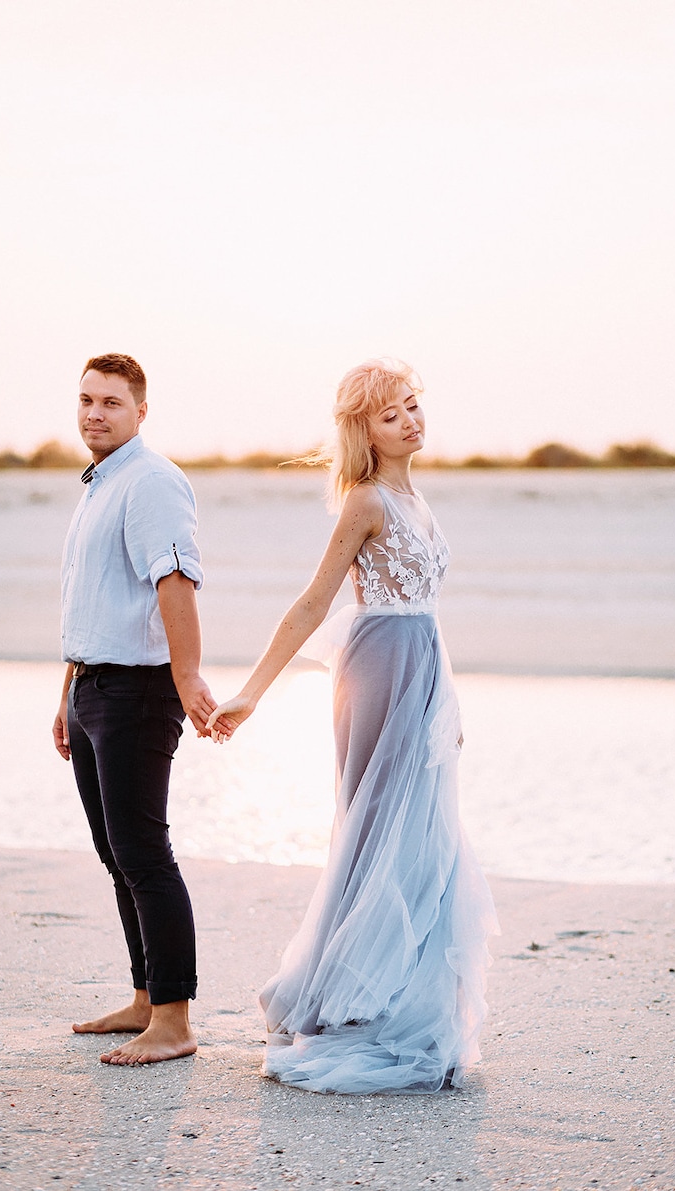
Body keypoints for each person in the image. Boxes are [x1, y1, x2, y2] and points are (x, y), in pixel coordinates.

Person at [207, 358, 498, 1093]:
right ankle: (348, 1004)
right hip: (378, 670)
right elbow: (312, 604)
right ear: (363, 430)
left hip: (423, 669)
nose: (409, 420)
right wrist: (251, 694)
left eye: (412, 406)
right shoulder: (366, 500)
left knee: (424, 831)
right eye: (390, 414)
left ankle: (403, 1004)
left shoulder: (419, 497)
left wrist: (448, 704)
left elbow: (429, 614)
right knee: (376, 830)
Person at [52, 353, 217, 1066]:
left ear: (140, 412)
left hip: (137, 690)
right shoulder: (100, 484)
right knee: (116, 854)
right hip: (92, 688)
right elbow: (91, 599)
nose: (95, 412)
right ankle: (147, 997)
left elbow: (174, 577)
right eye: (87, 399)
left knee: (145, 853)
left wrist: (188, 677)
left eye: (112, 402)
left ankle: (175, 1018)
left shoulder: (151, 481)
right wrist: (65, 695)